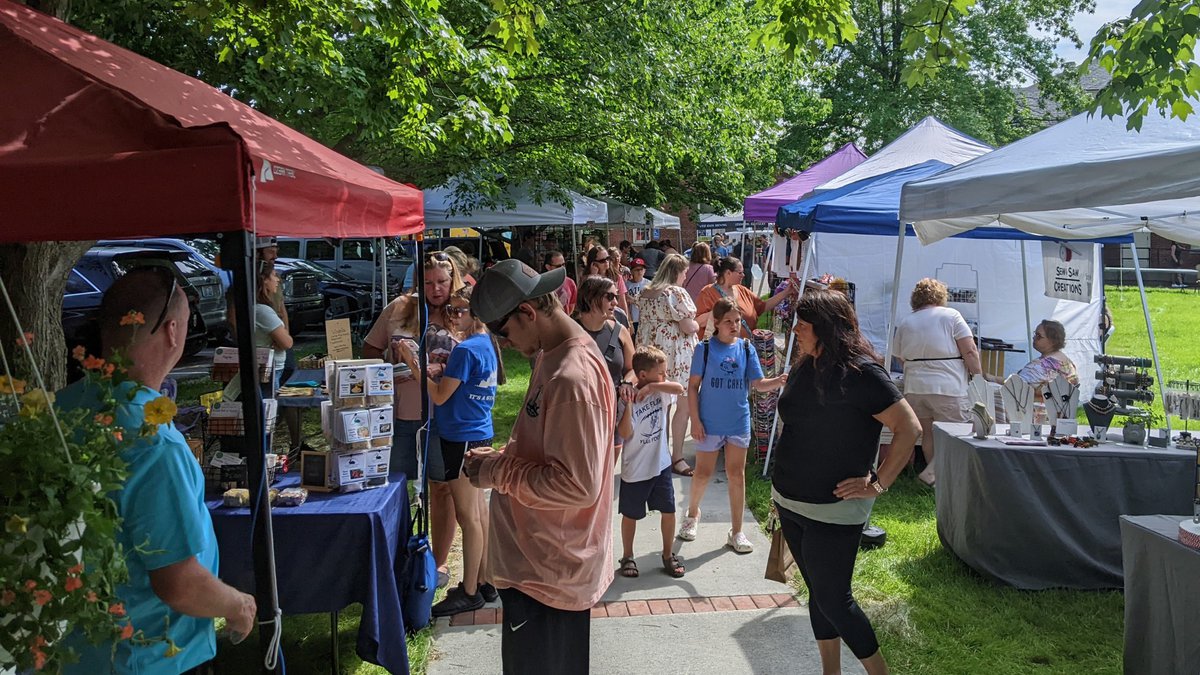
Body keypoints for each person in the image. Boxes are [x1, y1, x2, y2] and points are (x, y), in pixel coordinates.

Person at [59, 267, 256, 674]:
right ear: (172, 331)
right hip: (148, 657)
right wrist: (239, 606)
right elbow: (179, 584)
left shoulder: (62, 409)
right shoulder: (152, 440)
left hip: (71, 650)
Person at [463, 259, 615, 674]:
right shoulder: (554, 354)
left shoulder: (571, 377)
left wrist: (497, 472)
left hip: (550, 573)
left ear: (528, 312)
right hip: (540, 567)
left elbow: (577, 486)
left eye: (504, 332)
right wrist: (503, 459)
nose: (506, 344)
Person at [772, 289, 920, 675]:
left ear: (825, 329)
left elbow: (909, 428)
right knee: (818, 597)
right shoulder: (808, 363)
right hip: (791, 501)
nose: (795, 332)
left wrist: (879, 484)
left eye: (802, 326)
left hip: (834, 510)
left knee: (835, 600)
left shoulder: (862, 374)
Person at [363, 251, 470, 592]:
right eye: (428, 282)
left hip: (444, 416)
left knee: (441, 488)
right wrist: (386, 369)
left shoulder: (462, 313)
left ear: (453, 279)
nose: (436, 289)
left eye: (442, 281)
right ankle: (399, 557)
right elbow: (368, 349)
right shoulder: (398, 308)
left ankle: (437, 563)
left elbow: (475, 357)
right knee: (397, 487)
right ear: (418, 282)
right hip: (399, 414)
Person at [680, 298, 787, 551]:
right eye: (728, 321)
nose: (734, 325)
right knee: (703, 473)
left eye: (737, 321)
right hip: (709, 422)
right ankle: (692, 513)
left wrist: (779, 380)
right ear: (715, 323)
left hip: (738, 422)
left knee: (736, 475)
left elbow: (758, 383)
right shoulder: (704, 349)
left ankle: (737, 531)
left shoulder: (747, 348)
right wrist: (695, 420)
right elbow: (693, 387)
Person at [425, 286, 498, 616]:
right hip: (478, 431)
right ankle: (483, 580)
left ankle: (469, 592)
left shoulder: (465, 350)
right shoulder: (486, 344)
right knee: (479, 512)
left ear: (475, 314)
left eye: (459, 311)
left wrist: (416, 368)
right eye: (451, 310)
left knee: (469, 517)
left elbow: (440, 397)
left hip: (460, 435)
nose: (453, 316)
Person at [891, 278, 982, 487]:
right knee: (958, 433)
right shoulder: (951, 316)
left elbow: (899, 357)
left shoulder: (906, 322)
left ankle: (937, 480)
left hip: (914, 387)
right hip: (947, 386)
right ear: (941, 296)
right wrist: (978, 376)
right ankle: (932, 475)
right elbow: (969, 350)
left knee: (930, 434)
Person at [615, 346, 687, 579]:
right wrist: (627, 407)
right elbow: (624, 433)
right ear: (643, 374)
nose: (665, 376)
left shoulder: (661, 390)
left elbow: (679, 387)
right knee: (631, 514)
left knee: (669, 510)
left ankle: (667, 555)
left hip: (661, 465)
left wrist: (654, 386)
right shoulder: (628, 400)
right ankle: (628, 555)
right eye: (661, 373)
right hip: (636, 469)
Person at [637, 253, 700, 477]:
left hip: (652, 355)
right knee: (683, 406)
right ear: (676, 272)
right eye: (684, 273)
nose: (685, 278)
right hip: (676, 356)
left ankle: (658, 454)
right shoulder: (675, 292)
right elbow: (687, 326)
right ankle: (677, 457)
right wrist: (696, 324)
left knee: (659, 405)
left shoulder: (646, 292)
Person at [223, 260, 293, 400]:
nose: (277, 279)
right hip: (268, 370)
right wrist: (281, 337)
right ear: (264, 281)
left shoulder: (258, 309)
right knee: (266, 410)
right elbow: (287, 343)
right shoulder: (263, 311)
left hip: (266, 367)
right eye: (273, 275)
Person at [695, 256, 795, 339]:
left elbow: (763, 306)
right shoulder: (708, 293)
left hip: (745, 350)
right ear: (728, 273)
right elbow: (698, 322)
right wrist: (720, 311)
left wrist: (786, 292)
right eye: (740, 272)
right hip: (722, 352)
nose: (743, 275)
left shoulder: (742, 290)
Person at [1014, 319, 1079, 388]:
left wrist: (1001, 379)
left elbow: (1015, 385)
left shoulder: (1040, 366)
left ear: (1053, 341)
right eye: (1035, 334)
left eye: (1038, 336)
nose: (1034, 337)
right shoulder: (1067, 362)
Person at [585, 245, 630, 316]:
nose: (606, 261)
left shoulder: (616, 277)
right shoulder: (587, 279)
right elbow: (586, 300)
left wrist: (625, 319)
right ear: (593, 263)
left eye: (608, 258)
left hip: (614, 316)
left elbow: (622, 302)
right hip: (595, 317)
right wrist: (593, 276)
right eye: (602, 260)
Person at [545, 250, 577, 314]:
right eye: (558, 266)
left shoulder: (570, 283)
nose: (563, 268)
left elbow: (571, 306)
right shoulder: (543, 284)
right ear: (548, 267)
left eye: (564, 265)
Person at [625, 258, 650, 340]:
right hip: (633, 319)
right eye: (637, 270)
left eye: (641, 269)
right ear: (631, 271)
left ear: (645, 271)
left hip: (645, 319)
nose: (639, 272)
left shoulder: (649, 284)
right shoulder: (627, 285)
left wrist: (633, 300)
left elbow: (649, 301)